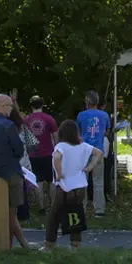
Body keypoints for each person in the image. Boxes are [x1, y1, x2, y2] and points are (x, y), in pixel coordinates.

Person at [43, 120, 103, 251]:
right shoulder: (83, 146)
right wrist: (90, 167)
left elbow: (57, 158)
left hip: (64, 187)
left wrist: (59, 174)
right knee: (76, 215)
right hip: (80, 186)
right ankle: (75, 246)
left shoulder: (61, 146)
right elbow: (98, 152)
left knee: (54, 217)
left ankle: (49, 245)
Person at [0, 94, 30, 249]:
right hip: (11, 172)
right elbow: (19, 149)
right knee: (11, 214)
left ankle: (6, 245)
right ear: (1, 106)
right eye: (9, 106)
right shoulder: (8, 126)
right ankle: (22, 245)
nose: (11, 109)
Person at [76, 90, 110, 218]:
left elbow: (78, 131)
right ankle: (99, 209)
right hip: (99, 150)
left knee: (82, 180)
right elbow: (106, 131)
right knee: (98, 181)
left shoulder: (81, 115)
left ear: (87, 101)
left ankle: (82, 207)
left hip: (84, 150)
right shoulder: (104, 115)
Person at [25, 95, 58, 213]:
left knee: (37, 181)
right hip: (49, 153)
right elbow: (56, 137)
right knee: (51, 180)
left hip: (33, 154)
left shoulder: (27, 120)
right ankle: (53, 206)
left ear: (31, 106)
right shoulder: (49, 119)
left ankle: (41, 208)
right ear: (42, 105)